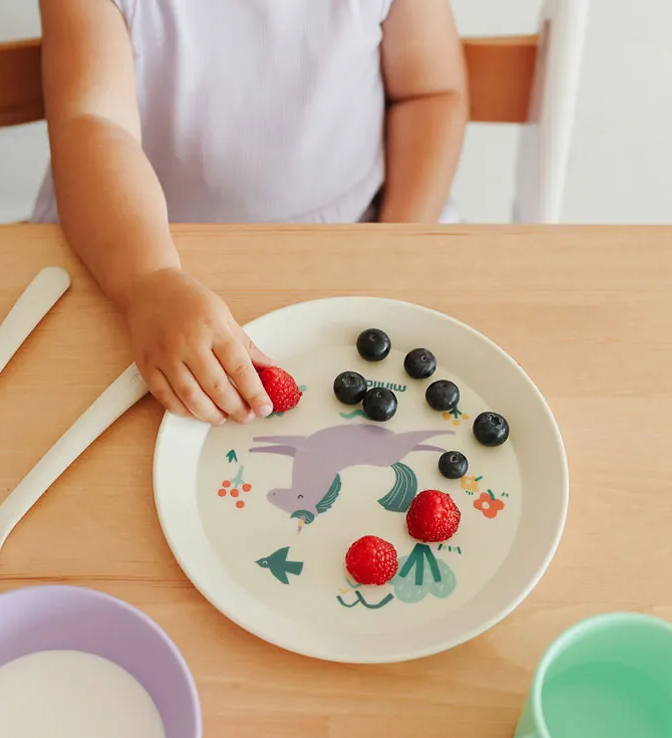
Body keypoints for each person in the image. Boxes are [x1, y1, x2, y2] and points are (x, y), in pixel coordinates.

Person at [36, 0, 468, 425]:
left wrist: (396, 239)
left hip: (366, 232)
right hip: (136, 249)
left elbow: (429, 96)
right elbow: (92, 122)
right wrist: (149, 280)